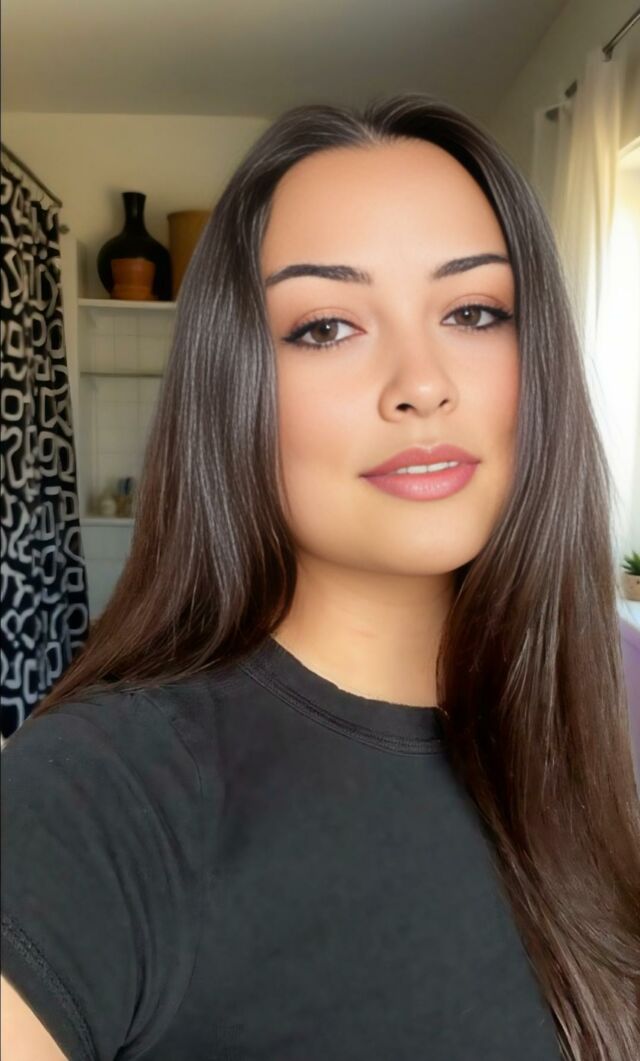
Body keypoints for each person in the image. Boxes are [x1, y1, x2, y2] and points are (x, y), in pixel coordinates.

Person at [2, 92, 639, 1061]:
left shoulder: (612, 691)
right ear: (233, 387)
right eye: (327, 326)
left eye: (473, 311)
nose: (421, 383)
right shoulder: (103, 791)